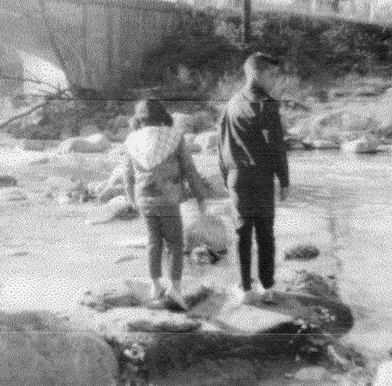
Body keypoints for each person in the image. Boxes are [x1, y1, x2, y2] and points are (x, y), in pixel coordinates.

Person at [217, 52, 290, 305]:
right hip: (262, 177)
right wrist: (284, 179)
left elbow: (221, 143)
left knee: (242, 234)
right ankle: (267, 288)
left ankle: (246, 289)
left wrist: (226, 176)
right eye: (270, 75)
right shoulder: (268, 105)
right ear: (256, 74)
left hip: (238, 177)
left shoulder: (231, 103)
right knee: (265, 234)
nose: (273, 80)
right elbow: (277, 146)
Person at [123, 98, 207, 310]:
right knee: (175, 243)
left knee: (153, 242)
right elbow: (189, 169)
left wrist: (132, 199)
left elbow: (128, 176)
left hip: (144, 199)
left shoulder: (132, 140)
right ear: (162, 116)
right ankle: (175, 288)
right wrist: (200, 197)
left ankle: (155, 285)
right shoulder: (174, 137)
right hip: (168, 199)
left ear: (139, 119)